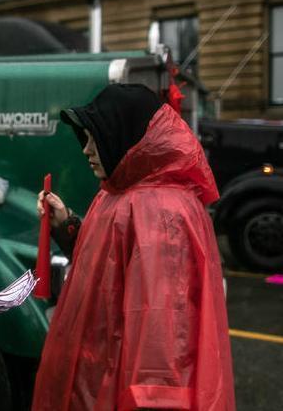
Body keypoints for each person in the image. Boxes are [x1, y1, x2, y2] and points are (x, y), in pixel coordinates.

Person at [33, 84, 235, 410]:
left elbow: (164, 345)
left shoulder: (162, 212)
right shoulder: (120, 191)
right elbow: (110, 266)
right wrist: (67, 226)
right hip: (99, 381)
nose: (86, 150)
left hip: (117, 390)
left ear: (125, 135)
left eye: (94, 138)